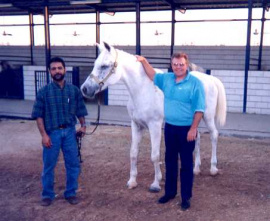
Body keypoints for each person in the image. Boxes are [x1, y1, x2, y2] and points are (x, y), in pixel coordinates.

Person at [136, 52, 205, 211]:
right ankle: (170, 192)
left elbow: (199, 109)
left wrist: (193, 128)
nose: (178, 67)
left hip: (187, 129)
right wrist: (145, 61)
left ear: (186, 65)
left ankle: (186, 197)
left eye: (181, 64)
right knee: (170, 161)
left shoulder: (195, 83)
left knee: (186, 164)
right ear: (171, 65)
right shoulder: (166, 79)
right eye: (175, 64)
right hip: (170, 128)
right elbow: (153, 75)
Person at [32, 57, 88, 207]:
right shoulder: (43, 92)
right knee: (49, 165)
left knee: (73, 164)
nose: (57, 71)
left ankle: (70, 193)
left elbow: (80, 110)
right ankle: (47, 195)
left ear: (64, 70)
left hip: (70, 133)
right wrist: (44, 135)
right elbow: (38, 115)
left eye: (59, 68)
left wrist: (83, 125)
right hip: (52, 134)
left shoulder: (74, 90)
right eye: (54, 68)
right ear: (50, 72)